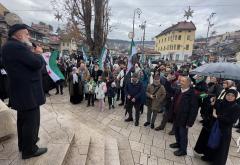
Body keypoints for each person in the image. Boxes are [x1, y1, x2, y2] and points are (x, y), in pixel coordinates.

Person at [2, 24, 47, 159]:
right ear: (20, 35)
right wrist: (38, 53)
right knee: (31, 121)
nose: (29, 36)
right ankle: (30, 149)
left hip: (21, 89)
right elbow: (36, 63)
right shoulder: (18, 47)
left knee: (23, 119)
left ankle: (24, 144)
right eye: (27, 34)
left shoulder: (7, 46)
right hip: (28, 91)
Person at [195, 89, 240, 165]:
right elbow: (211, 110)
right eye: (228, 95)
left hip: (224, 130)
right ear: (225, 95)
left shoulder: (236, 107)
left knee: (220, 146)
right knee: (210, 140)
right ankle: (208, 156)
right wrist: (212, 104)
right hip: (214, 126)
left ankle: (216, 162)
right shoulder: (220, 102)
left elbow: (232, 120)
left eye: (232, 96)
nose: (230, 97)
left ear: (235, 97)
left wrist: (218, 117)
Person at [169, 76, 198, 156]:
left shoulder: (192, 94)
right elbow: (174, 102)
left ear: (188, 83)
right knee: (177, 132)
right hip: (176, 116)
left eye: (183, 81)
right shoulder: (178, 90)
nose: (180, 82)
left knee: (183, 134)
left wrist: (190, 122)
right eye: (180, 81)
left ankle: (183, 150)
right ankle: (178, 143)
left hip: (184, 119)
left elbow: (194, 110)